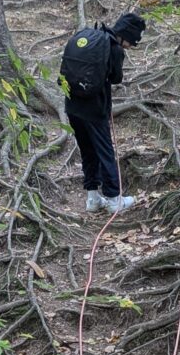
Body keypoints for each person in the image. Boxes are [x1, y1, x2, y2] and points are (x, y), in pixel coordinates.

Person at [62, 12, 146, 214]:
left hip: (72, 105)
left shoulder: (90, 35)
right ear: (125, 35)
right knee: (105, 151)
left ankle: (92, 197)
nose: (130, 46)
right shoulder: (114, 49)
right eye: (131, 42)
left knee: (87, 150)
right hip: (95, 109)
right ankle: (113, 198)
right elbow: (116, 78)